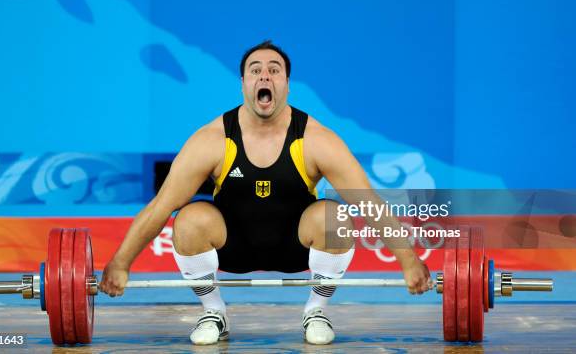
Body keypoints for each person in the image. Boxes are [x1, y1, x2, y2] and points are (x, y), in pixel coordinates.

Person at [99, 40, 432, 345]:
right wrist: (120, 263)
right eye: (255, 70)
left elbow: (370, 204)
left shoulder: (316, 139)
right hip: (233, 248)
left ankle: (315, 310)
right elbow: (161, 206)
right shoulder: (212, 139)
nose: (265, 76)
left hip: (295, 248)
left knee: (336, 217)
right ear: (244, 83)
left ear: (287, 84)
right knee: (187, 218)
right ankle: (214, 312)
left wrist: (409, 262)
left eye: (275, 70)